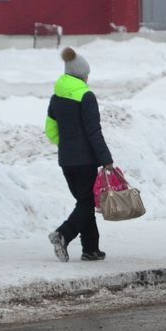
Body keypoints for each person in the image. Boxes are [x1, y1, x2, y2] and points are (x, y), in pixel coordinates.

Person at [44, 47, 114, 262]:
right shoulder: (86, 96)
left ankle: (91, 249)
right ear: (82, 75)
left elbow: (50, 130)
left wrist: (67, 146)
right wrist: (106, 159)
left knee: (84, 202)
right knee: (85, 203)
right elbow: (94, 131)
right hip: (85, 161)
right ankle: (63, 234)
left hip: (66, 160)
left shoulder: (57, 96)